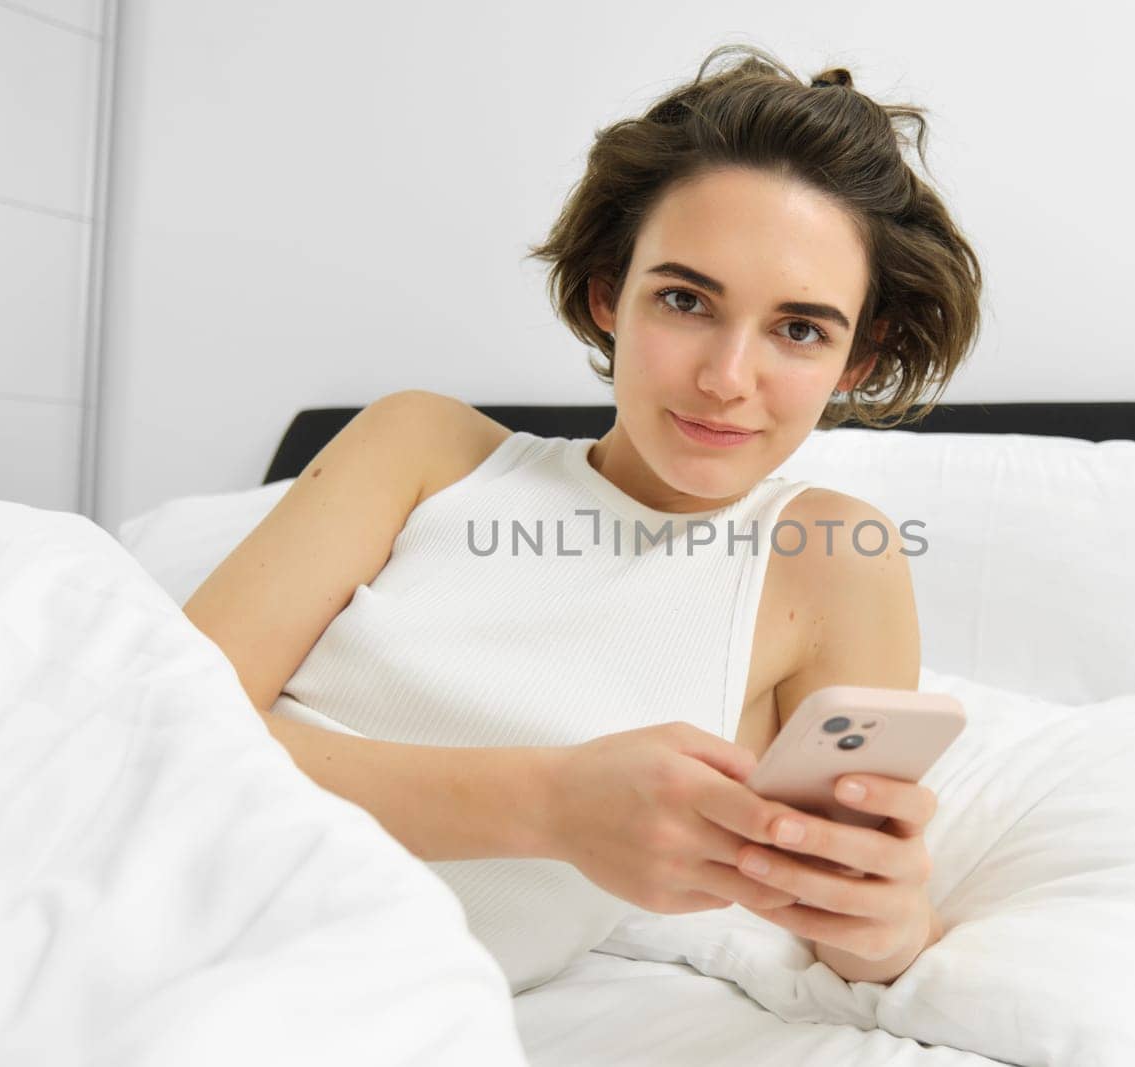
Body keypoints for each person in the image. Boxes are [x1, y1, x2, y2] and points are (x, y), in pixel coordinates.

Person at [183, 43, 982, 994]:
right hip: (137, 888)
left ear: (858, 359)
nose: (727, 379)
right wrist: (553, 805)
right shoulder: (422, 448)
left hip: (339, 1008)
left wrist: (890, 926)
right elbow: (156, 727)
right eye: (685, 300)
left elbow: (843, 915)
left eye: (800, 329)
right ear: (609, 294)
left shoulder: (832, 561)